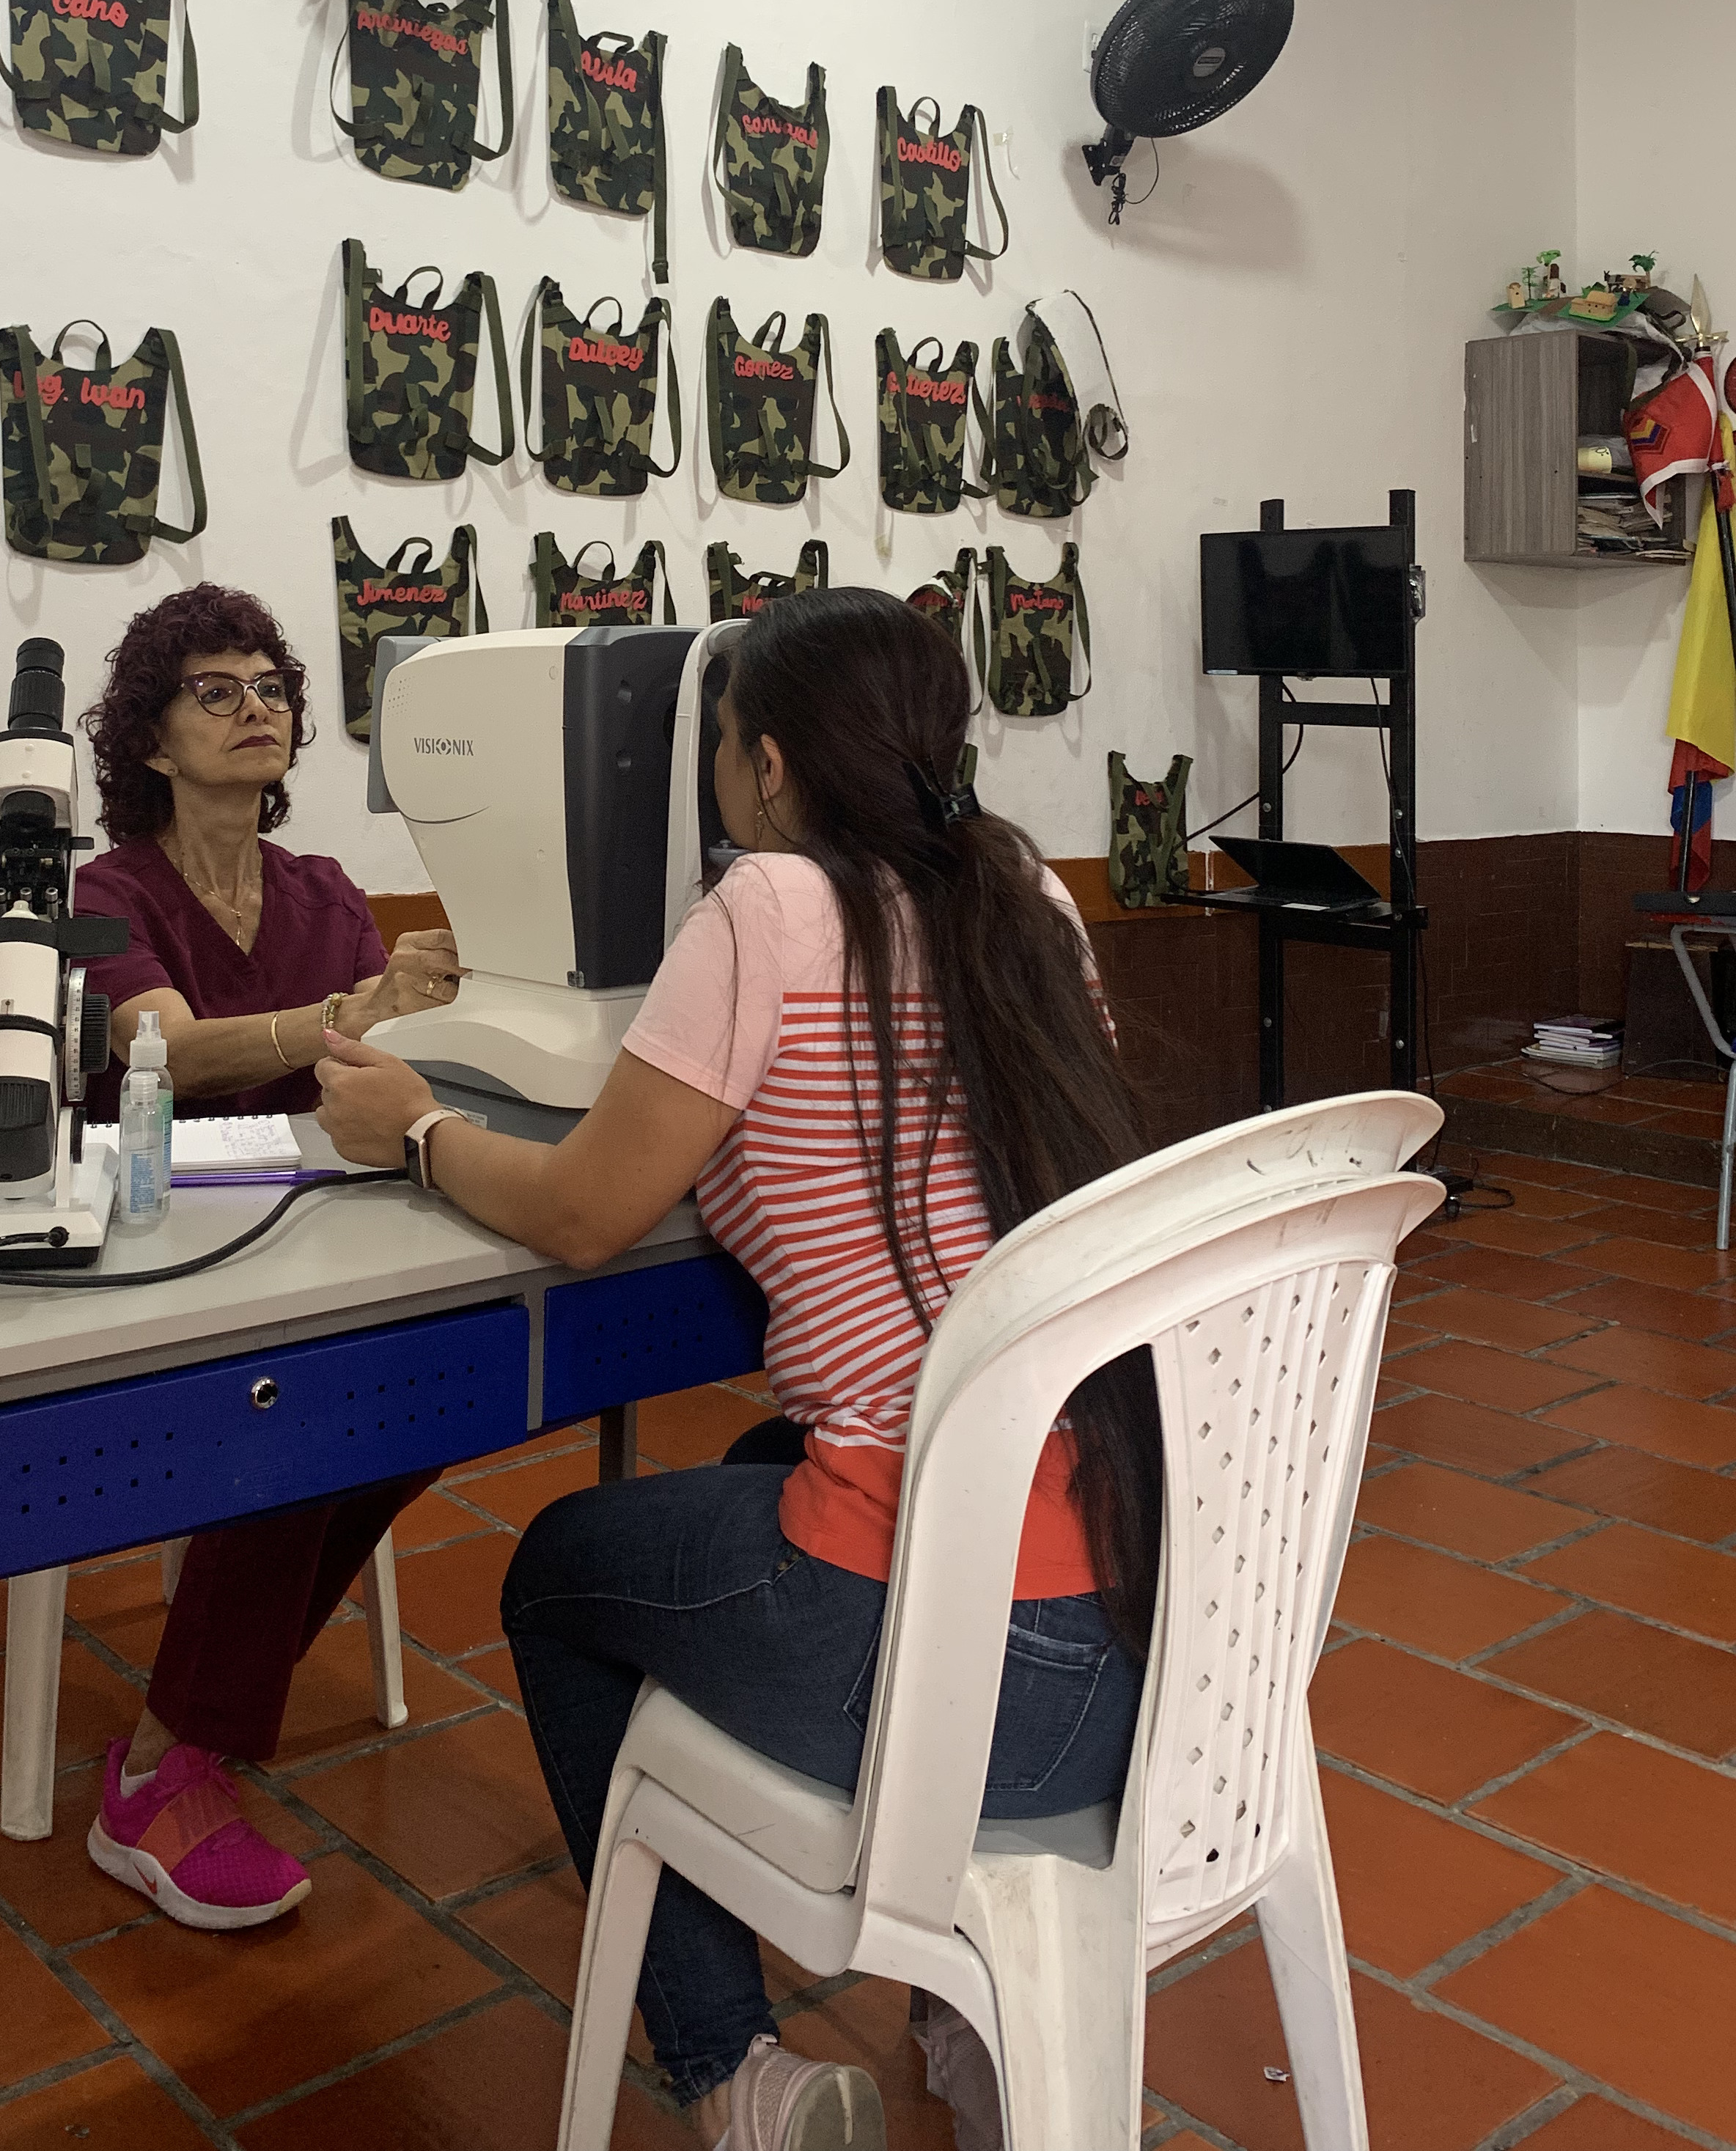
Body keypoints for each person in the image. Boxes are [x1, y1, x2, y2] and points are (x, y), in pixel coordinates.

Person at [318, 588, 1161, 2151]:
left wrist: (415, 1129)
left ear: (767, 765)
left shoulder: (765, 907)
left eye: (713, 744)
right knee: (768, 1468)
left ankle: (733, 2076)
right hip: (1145, 1658)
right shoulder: (1029, 896)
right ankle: (965, 2015)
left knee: (559, 1572)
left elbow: (585, 1215)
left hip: (956, 1686)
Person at [71, 582, 464, 1931]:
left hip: (313, 1236)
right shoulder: (109, 891)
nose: (257, 709)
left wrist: (417, 1007)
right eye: (216, 692)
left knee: (427, 1399)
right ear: (152, 738)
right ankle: (158, 1768)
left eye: (272, 688)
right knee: (300, 1405)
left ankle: (188, 1727)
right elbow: (165, 1049)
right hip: (160, 1246)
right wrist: (345, 1011)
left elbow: (377, 1058)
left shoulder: (324, 889)